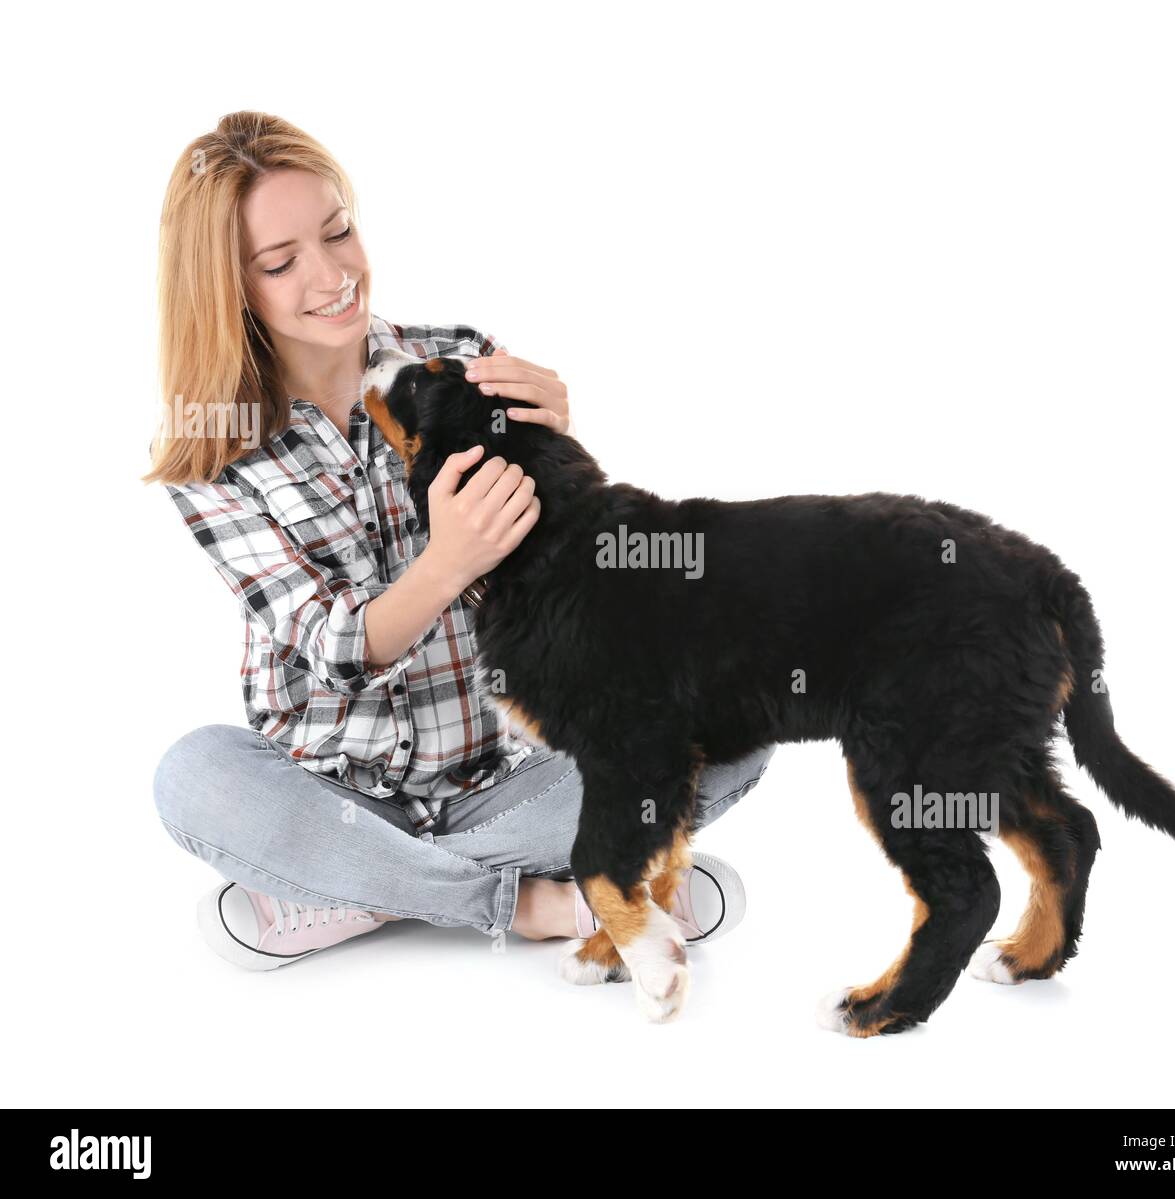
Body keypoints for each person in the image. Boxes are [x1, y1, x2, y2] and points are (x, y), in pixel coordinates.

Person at [142, 111, 775, 970]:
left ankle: (353, 894)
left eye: (339, 233)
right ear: (228, 288)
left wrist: (565, 468)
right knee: (194, 776)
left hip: (503, 788)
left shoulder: (462, 364)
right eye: (283, 262)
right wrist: (446, 564)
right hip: (325, 795)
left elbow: (566, 594)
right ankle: (553, 899)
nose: (332, 276)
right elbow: (335, 651)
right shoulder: (209, 447)